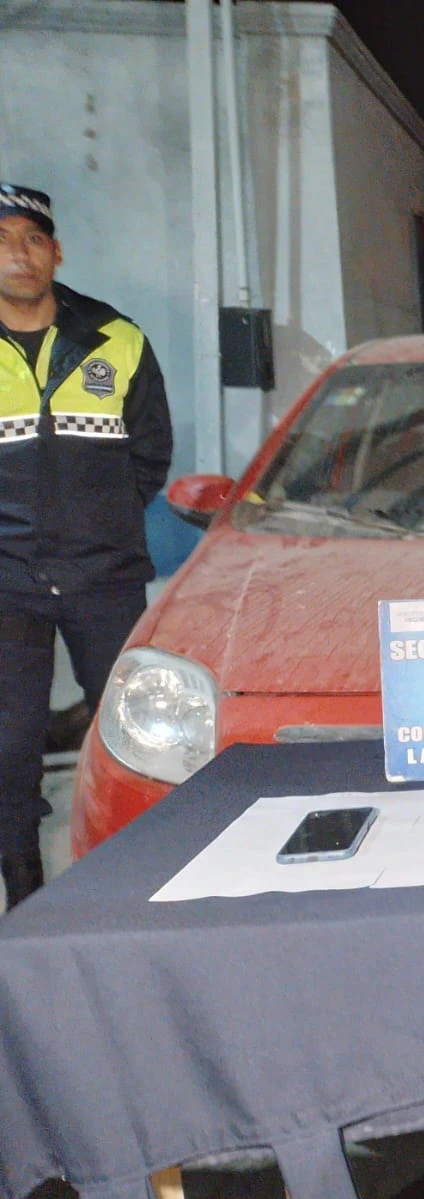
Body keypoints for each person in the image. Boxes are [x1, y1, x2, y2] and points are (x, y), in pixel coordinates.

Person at [0, 183, 172, 908]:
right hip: (6, 583)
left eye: (33, 238)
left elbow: (150, 454)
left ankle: (139, 884)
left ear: (57, 250)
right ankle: (26, 895)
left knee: (137, 738)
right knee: (11, 749)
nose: (18, 253)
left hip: (104, 579)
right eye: (4, 239)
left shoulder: (117, 338)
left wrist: (99, 528)